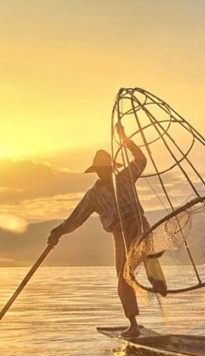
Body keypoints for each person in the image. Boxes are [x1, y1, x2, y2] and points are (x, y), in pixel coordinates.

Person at [47, 123, 165, 338]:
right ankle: (133, 324)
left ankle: (157, 281)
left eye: (107, 169)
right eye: (101, 170)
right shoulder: (93, 195)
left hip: (138, 224)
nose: (104, 172)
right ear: (97, 172)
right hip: (120, 233)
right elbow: (76, 218)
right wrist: (58, 231)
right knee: (123, 278)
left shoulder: (125, 177)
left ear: (111, 168)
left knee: (149, 254)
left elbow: (141, 160)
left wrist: (125, 140)